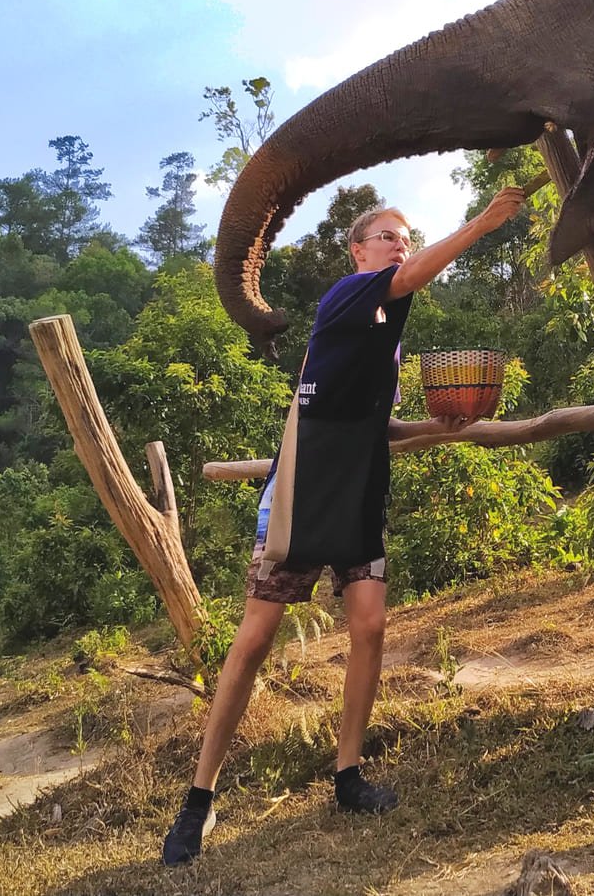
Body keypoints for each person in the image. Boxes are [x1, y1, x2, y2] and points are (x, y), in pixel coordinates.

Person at [163, 187, 527, 866]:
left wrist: (435, 425)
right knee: (253, 642)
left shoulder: (385, 327)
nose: (400, 244)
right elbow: (413, 277)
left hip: (359, 489)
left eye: (405, 236)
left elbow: (362, 413)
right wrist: (483, 222)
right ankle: (198, 799)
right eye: (388, 236)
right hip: (302, 490)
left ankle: (348, 773)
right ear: (360, 251)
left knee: (369, 626)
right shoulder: (346, 295)